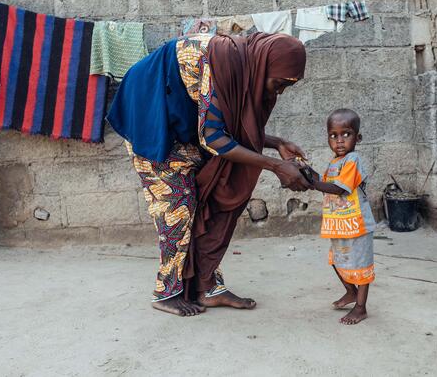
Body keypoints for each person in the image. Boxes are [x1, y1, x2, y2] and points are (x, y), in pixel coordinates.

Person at [106, 32, 311, 317]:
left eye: (288, 87)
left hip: (184, 126)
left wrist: (277, 144)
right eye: (278, 84)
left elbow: (231, 126)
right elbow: (214, 138)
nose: (278, 93)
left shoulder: (244, 67)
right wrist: (275, 165)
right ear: (263, 64)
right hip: (151, 120)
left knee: (205, 203)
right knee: (177, 207)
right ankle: (166, 293)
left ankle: (206, 287)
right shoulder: (219, 63)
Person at [309, 109, 376, 325]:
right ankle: (350, 292)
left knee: (361, 265)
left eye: (346, 134)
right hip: (340, 225)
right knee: (337, 261)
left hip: (357, 225)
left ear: (358, 137)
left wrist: (309, 182)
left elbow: (338, 189)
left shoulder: (352, 160)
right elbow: (325, 184)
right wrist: (305, 171)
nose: (339, 141)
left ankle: (361, 307)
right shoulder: (335, 162)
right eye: (333, 135)